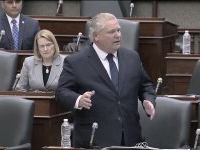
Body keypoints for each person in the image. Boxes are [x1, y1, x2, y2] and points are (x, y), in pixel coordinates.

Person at [56, 13, 156, 148]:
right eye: (111, 32)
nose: (118, 35)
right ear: (96, 36)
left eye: (119, 30)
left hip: (130, 138)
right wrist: (78, 99)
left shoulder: (132, 57)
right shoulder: (76, 62)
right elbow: (61, 92)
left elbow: (145, 86)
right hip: (95, 140)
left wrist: (148, 100)